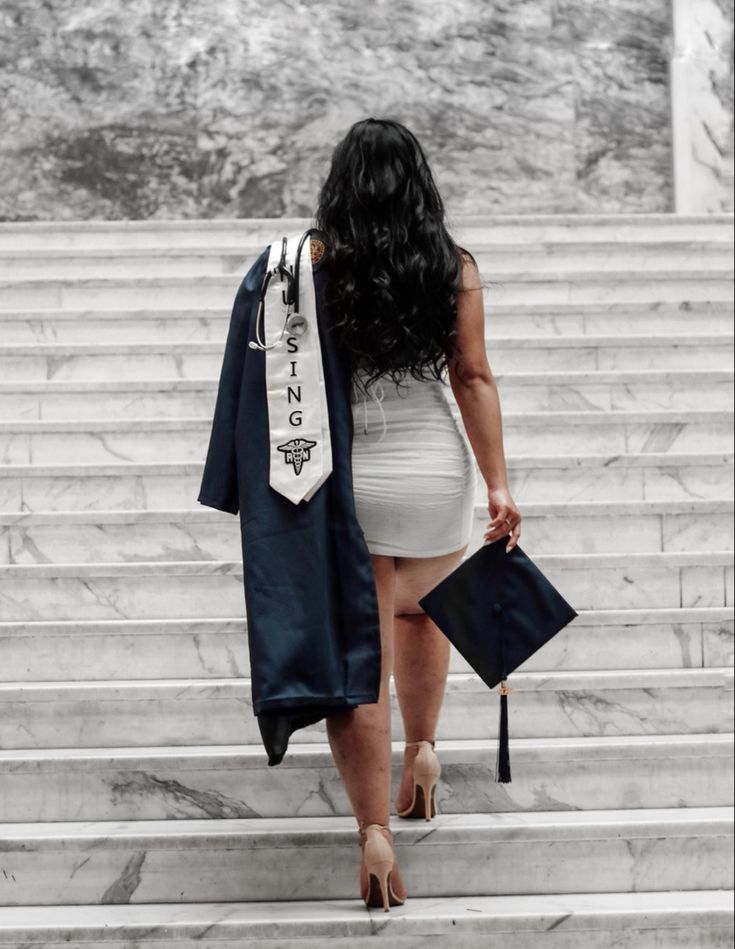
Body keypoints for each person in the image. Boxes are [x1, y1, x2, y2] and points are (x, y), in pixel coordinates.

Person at [312, 118, 522, 910]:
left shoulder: (318, 268)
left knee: (357, 657)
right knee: (421, 621)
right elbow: (471, 376)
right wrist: (498, 484)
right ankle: (424, 756)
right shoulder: (450, 265)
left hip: (350, 473)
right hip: (434, 468)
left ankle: (372, 833)